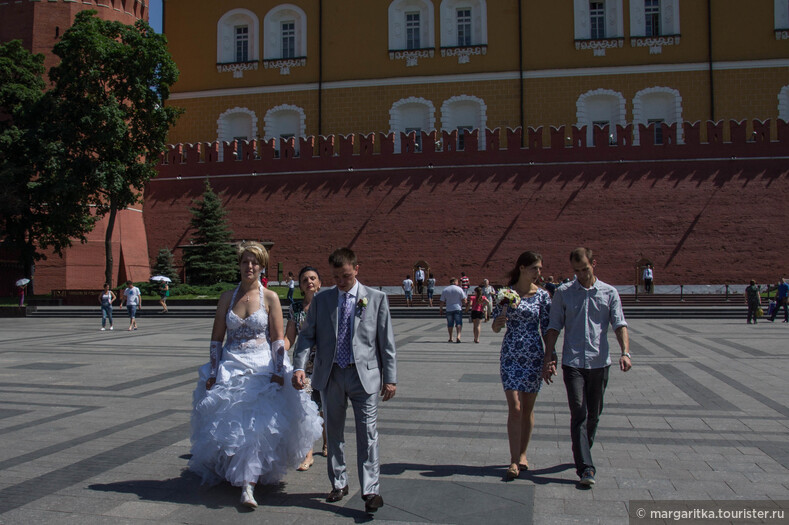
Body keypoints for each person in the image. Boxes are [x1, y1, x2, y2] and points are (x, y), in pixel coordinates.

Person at [189, 242, 322, 509]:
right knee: (232, 425)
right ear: (239, 265)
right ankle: (240, 475)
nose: (249, 267)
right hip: (232, 366)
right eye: (245, 262)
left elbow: (276, 339)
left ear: (261, 267)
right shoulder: (227, 297)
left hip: (262, 367)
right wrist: (213, 372)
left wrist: (276, 371)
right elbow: (216, 339)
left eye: (255, 263)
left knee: (256, 427)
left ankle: (248, 484)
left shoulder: (270, 297)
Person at [291, 248, 397, 514]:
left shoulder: (376, 299)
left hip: (365, 377)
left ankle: (371, 490)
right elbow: (306, 336)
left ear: (356, 269)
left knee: (368, 434)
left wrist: (390, 378)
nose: (341, 281)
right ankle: (339, 482)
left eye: (346, 275)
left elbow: (386, 342)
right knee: (334, 433)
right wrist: (299, 367)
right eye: (336, 276)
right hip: (332, 375)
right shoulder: (322, 300)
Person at [542, 248, 631, 487]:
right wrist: (548, 356)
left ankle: (583, 448)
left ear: (594, 264)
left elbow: (619, 323)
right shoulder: (563, 293)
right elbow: (554, 327)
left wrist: (625, 352)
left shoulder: (609, 292)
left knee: (594, 415)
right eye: (576, 271)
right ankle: (586, 468)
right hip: (573, 363)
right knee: (579, 412)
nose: (581, 274)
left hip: (600, 362)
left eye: (585, 269)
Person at [491, 251, 551, 479]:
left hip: (534, 353)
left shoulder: (543, 296)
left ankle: (523, 454)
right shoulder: (505, 294)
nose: (539, 273)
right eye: (535, 268)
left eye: (540, 269)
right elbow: (496, 327)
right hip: (511, 354)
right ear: (522, 268)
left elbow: (546, 328)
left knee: (527, 408)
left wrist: (550, 357)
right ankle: (514, 461)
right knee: (515, 407)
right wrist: (498, 323)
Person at [284, 266, 327, 471]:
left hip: (327, 365)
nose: (309, 282)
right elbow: (290, 337)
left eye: (313, 278)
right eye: (304, 280)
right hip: (304, 368)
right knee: (307, 409)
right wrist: (276, 348)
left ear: (319, 282)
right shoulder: (295, 308)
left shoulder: (327, 305)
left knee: (325, 408)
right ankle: (308, 454)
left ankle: (327, 442)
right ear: (300, 286)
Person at [440, 277, 467, 343]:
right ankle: (458, 336)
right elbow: (464, 299)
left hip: (449, 309)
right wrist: (466, 305)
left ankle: (450, 337)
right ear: (455, 282)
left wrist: (441, 309)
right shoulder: (459, 289)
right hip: (457, 308)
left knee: (450, 324)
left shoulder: (445, 290)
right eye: (457, 282)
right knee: (458, 323)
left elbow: (442, 301)